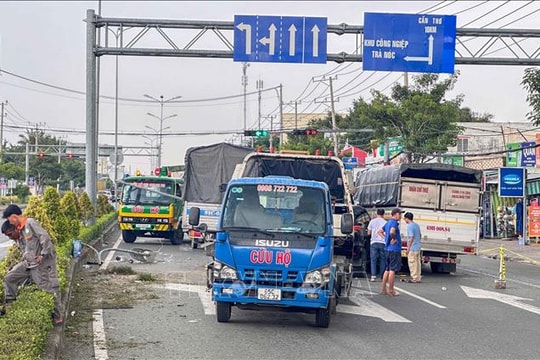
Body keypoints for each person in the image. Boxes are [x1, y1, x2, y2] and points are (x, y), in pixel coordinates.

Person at [2, 204, 64, 325]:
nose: (9, 222)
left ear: (13, 216)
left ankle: (58, 316)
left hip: (42, 264)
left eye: (9, 219)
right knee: (10, 277)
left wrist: (43, 254)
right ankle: (10, 303)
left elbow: (45, 237)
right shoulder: (20, 229)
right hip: (29, 264)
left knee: (49, 288)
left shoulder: (30, 223)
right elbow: (27, 248)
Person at [378, 207, 403, 297]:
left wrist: (386, 238)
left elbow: (379, 231)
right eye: (400, 214)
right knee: (393, 270)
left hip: (387, 249)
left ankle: (383, 288)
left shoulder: (387, 222)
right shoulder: (394, 223)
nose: (401, 216)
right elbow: (392, 232)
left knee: (387, 269)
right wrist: (393, 238)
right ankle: (391, 290)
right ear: (396, 214)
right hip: (394, 249)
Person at [367, 208, 387, 282]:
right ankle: (382, 276)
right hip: (383, 242)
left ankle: (373, 276)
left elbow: (369, 233)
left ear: (377, 213)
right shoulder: (385, 222)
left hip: (374, 242)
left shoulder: (372, 221)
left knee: (373, 259)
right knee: (382, 259)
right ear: (383, 214)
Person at [404, 212, 422, 283]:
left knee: (412, 263)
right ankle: (418, 277)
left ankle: (414, 277)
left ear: (407, 218)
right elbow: (420, 235)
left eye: (405, 218)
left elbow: (411, 237)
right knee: (417, 263)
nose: (405, 220)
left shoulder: (410, 226)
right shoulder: (416, 225)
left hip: (412, 248)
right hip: (417, 247)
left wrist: (408, 248)